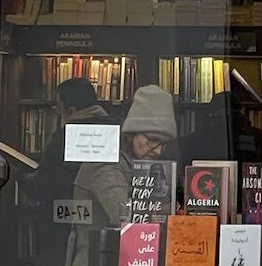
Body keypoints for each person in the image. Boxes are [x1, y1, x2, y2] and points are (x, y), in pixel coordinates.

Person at [65, 84, 178, 266]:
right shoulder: (106, 163)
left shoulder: (131, 162)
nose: (157, 151)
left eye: (163, 144)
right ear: (131, 134)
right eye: (152, 140)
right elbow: (125, 215)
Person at [30, 78, 111, 265]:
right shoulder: (112, 131)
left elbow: (42, 186)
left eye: (58, 108)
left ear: (71, 110)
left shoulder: (62, 138)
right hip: (98, 226)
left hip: (60, 225)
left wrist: (17, 173)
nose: (58, 113)